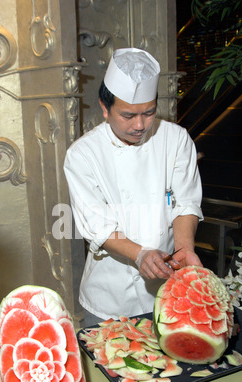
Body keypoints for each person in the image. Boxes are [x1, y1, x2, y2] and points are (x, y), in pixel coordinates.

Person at [64, 48, 203, 327]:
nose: (140, 125)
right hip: (109, 299)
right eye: (128, 115)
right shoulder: (83, 154)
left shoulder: (176, 139)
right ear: (105, 109)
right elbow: (98, 226)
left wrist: (184, 248)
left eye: (149, 113)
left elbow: (185, 202)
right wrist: (140, 254)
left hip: (168, 291)